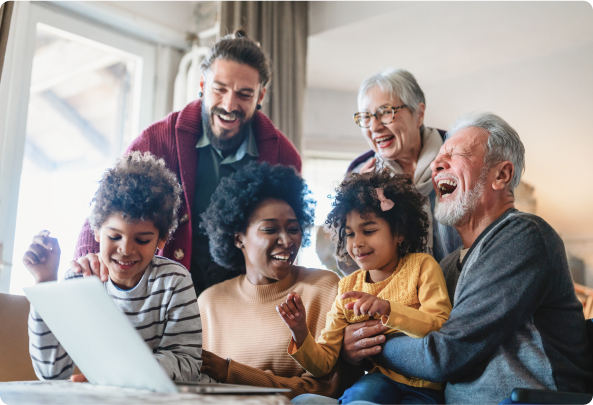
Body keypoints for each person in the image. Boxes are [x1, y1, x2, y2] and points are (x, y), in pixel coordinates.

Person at [346, 112, 593, 404]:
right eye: (438, 158)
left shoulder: (523, 236)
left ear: (501, 175)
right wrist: (350, 344)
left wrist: (369, 343)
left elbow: (443, 356)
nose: (436, 165)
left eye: (456, 154)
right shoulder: (448, 265)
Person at [71, 30, 301, 297]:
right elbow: (111, 202)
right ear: (202, 84)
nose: (229, 104)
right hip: (160, 294)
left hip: (241, 299)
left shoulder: (285, 158)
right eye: (219, 89)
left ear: (260, 97)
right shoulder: (157, 139)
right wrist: (88, 257)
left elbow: (286, 239)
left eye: (244, 94)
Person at [25, 152, 203, 382]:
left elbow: (187, 364)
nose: (126, 249)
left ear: (162, 239)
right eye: (115, 236)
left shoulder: (174, 281)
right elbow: (51, 373)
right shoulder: (78, 283)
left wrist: (118, 377)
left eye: (142, 240)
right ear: (97, 230)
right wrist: (45, 283)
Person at [281, 171, 451, 405]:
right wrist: (300, 332)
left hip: (426, 387)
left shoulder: (422, 265)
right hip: (379, 380)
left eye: (368, 231)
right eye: (350, 234)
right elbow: (323, 364)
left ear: (400, 232)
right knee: (305, 401)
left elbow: (440, 326)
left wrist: (388, 310)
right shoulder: (347, 288)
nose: (357, 243)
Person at [197, 162, 362, 400]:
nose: (287, 240)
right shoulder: (209, 303)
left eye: (293, 228)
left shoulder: (324, 288)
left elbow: (324, 390)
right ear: (238, 238)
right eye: (270, 229)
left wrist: (231, 372)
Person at [348, 69, 462, 264]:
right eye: (366, 117)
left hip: (463, 288)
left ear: (419, 114)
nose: (374, 127)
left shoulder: (461, 160)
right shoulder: (359, 175)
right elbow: (349, 259)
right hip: (392, 292)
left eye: (385, 112)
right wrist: (359, 201)